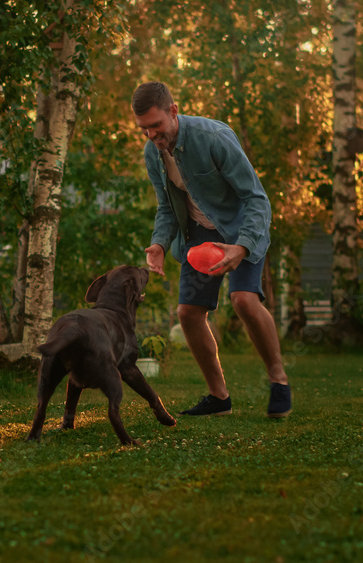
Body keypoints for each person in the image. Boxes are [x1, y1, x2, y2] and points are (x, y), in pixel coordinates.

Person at [132, 81, 291, 418]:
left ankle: (278, 380)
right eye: (144, 128)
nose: (151, 135)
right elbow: (166, 206)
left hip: (240, 229)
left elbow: (256, 199)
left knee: (244, 301)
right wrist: (159, 244)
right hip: (199, 236)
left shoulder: (214, 137)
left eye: (156, 125)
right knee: (188, 313)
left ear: (173, 112)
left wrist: (242, 247)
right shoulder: (153, 152)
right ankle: (219, 398)